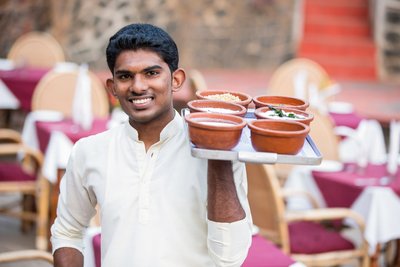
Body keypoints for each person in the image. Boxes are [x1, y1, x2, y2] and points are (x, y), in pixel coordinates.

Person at [51, 23, 252, 267]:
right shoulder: (89, 151)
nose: (138, 86)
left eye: (151, 73)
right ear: (112, 87)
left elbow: (230, 257)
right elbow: (68, 232)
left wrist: (218, 154)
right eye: (125, 76)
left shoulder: (219, 154)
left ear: (176, 80)